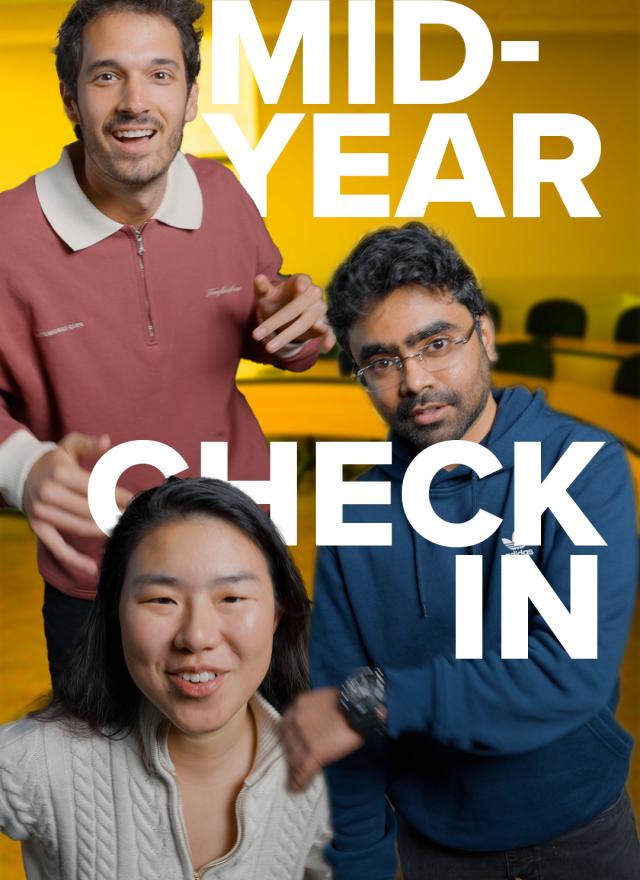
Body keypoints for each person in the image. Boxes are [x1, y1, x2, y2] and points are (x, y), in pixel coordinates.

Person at [281, 223, 640, 879]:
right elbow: (343, 732)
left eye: (436, 344)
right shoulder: (356, 510)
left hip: (582, 836)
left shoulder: (583, 466)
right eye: (382, 360)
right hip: (433, 850)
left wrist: (382, 699)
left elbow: (568, 673)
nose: (415, 381)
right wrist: (359, 866)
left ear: (487, 335)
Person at [0, 0, 334, 687]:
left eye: (159, 74)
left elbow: (272, 333)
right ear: (69, 95)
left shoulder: (225, 192)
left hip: (244, 553)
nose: (134, 102)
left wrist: (303, 329)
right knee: (106, 790)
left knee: (267, 769)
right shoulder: (6, 237)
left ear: (189, 96)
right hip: (97, 581)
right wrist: (21, 464)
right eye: (106, 77)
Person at [0, 477, 331, 879]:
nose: (196, 636)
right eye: (162, 600)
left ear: (278, 614)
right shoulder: (41, 759)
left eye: (231, 598)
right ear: (115, 613)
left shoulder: (330, 781)